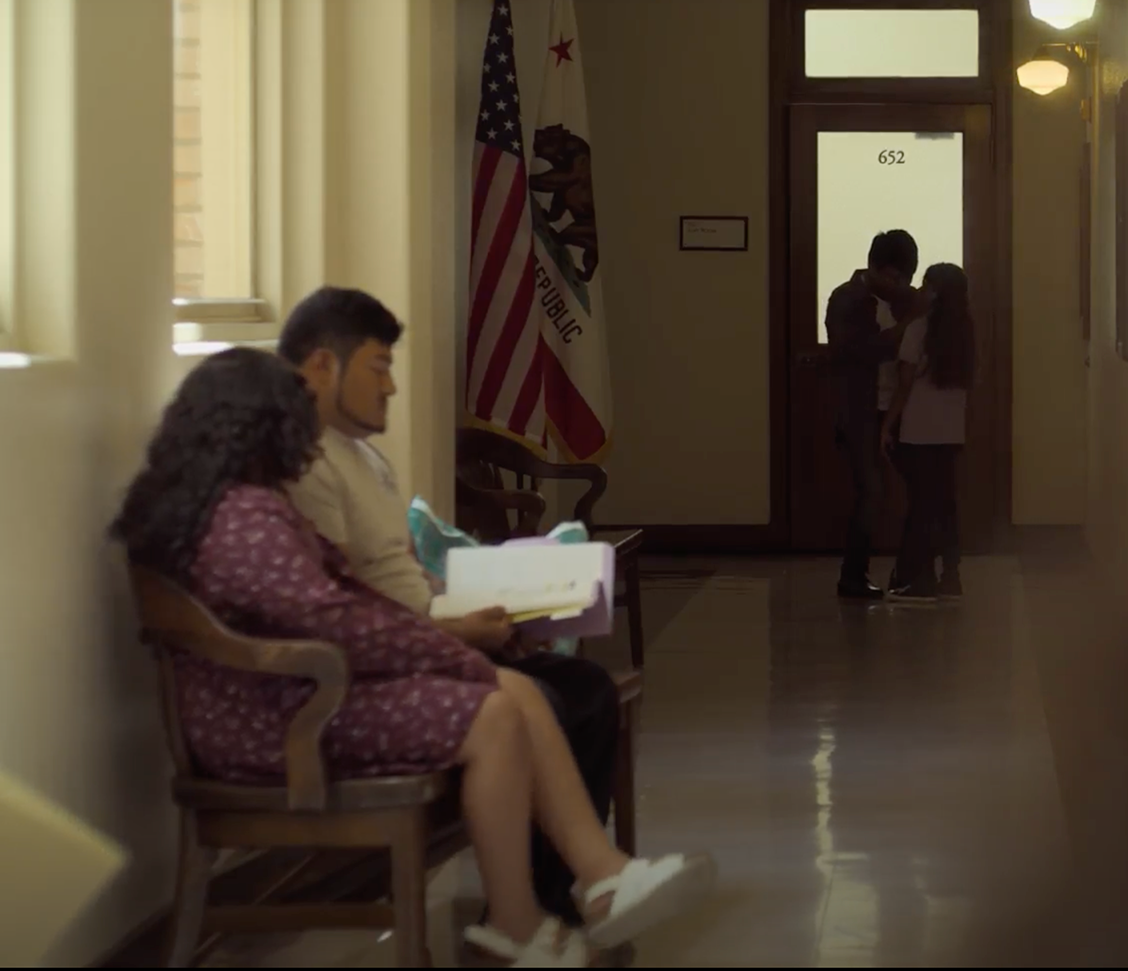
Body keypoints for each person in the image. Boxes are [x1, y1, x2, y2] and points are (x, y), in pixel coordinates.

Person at [112, 349, 712, 967]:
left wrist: (444, 647)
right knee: (494, 711)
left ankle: (595, 879)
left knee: (513, 690)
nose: (308, 447)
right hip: (275, 725)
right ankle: (526, 916)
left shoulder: (217, 504)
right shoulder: (244, 517)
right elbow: (332, 620)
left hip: (285, 702)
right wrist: (447, 652)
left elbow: (341, 608)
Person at [274, 286, 656, 936]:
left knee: (587, 689)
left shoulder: (363, 455)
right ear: (321, 365)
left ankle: (559, 896)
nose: (392, 386)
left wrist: (494, 614)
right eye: (378, 367)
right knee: (548, 699)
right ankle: (535, 905)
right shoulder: (307, 464)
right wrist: (455, 631)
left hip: (431, 636)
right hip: (389, 663)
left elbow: (400, 573)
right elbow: (342, 602)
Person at [823, 230, 924, 600]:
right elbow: (855, 351)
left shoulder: (905, 300)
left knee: (920, 487)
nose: (900, 286)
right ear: (874, 267)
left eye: (906, 279)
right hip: (860, 410)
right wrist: (907, 326)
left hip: (899, 407)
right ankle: (853, 575)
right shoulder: (845, 298)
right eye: (894, 278)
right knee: (871, 491)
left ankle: (912, 572)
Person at [882, 263, 972, 603]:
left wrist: (887, 425)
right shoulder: (965, 332)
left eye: (925, 286)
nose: (919, 292)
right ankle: (951, 577)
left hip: (919, 431)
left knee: (921, 506)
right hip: (951, 432)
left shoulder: (918, 329)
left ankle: (919, 580)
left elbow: (904, 385)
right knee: (945, 504)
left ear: (935, 293)